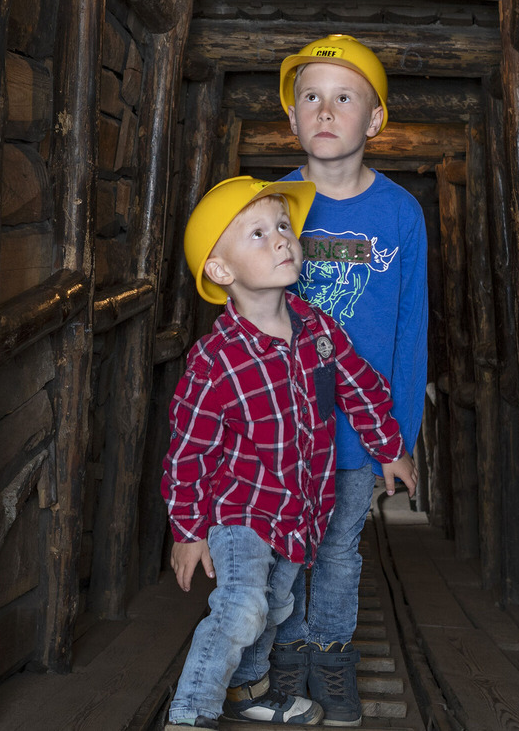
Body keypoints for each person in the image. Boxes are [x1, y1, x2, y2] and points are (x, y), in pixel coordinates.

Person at [163, 176, 416, 730]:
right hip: (241, 511)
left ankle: (248, 690)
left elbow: (362, 387)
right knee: (243, 605)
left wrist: (390, 449)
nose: (281, 240)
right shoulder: (214, 359)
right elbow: (189, 452)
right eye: (258, 233)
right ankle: (189, 712)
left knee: (276, 607)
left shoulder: (319, 331)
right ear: (221, 271)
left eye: (283, 227)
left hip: (299, 509)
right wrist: (188, 530)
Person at [268, 35, 428, 727]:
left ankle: (328, 664)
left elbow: (409, 332)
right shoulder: (272, 206)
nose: (325, 110)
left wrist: (400, 439)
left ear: (374, 121)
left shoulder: (400, 215)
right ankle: (283, 666)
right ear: (294, 119)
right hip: (282, 425)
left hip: (360, 427)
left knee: (336, 549)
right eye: (311, 97)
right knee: (281, 549)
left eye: (343, 97)